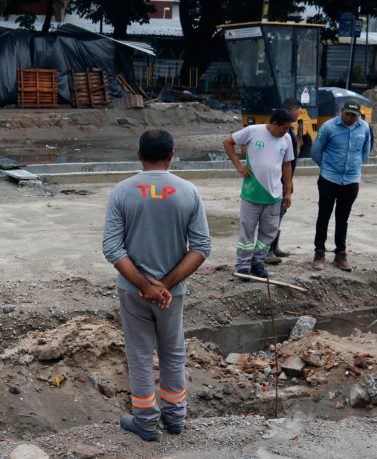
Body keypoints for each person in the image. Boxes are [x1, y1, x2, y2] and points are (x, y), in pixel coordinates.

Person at [102, 130, 211, 442]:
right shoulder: (188, 191)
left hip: (133, 290)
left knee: (139, 354)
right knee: (173, 351)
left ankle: (146, 423)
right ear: (171, 155)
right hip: (171, 293)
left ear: (139, 155)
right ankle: (175, 418)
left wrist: (144, 284)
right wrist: (164, 285)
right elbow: (201, 246)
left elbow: (112, 247)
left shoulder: (123, 191)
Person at [223, 110, 294, 279]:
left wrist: (288, 191)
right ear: (275, 123)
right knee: (247, 232)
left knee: (269, 232)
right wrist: (238, 165)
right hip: (252, 194)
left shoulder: (287, 138)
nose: (287, 131)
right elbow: (228, 142)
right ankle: (242, 266)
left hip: (274, 195)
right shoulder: (253, 131)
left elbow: (287, 165)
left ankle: (257, 263)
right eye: (285, 127)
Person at [310, 99, 371, 271]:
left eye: (354, 115)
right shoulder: (329, 127)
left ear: (358, 115)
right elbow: (315, 151)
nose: (350, 118)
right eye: (347, 114)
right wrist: (328, 168)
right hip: (329, 179)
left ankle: (340, 253)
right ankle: (319, 251)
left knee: (343, 217)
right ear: (341, 111)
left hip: (351, 181)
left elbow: (365, 151)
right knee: (324, 215)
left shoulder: (364, 128)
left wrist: (354, 167)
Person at [266, 97, 303, 264]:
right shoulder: (282, 132)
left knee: (280, 214)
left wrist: (290, 182)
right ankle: (266, 251)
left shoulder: (288, 131)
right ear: (294, 111)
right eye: (300, 112)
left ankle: (274, 247)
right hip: (276, 182)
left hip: (284, 180)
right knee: (273, 215)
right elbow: (282, 162)